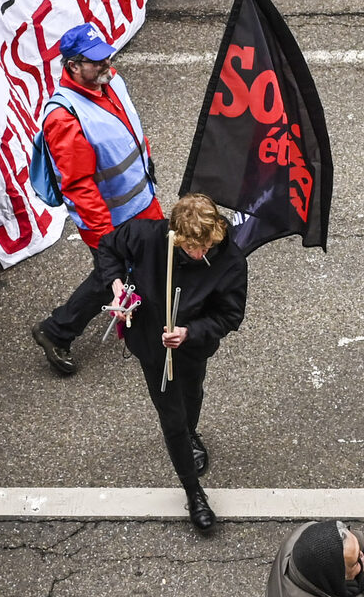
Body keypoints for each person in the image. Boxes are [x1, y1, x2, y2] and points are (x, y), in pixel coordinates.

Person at [91, 194, 248, 534]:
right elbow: (108, 247)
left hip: (192, 347)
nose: (201, 254)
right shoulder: (148, 236)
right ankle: (193, 492)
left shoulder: (231, 260)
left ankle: (191, 434)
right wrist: (116, 288)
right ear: (176, 236)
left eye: (207, 246)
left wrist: (190, 332)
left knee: (193, 394)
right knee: (171, 417)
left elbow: (230, 315)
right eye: (193, 247)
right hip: (151, 342)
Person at [31, 24, 163, 376]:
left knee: (143, 262)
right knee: (112, 278)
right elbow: (79, 187)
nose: (106, 62)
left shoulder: (108, 79)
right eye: (95, 60)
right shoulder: (64, 119)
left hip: (140, 200)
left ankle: (62, 328)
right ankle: (56, 331)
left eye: (106, 54)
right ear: (73, 66)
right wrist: (106, 241)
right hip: (115, 218)